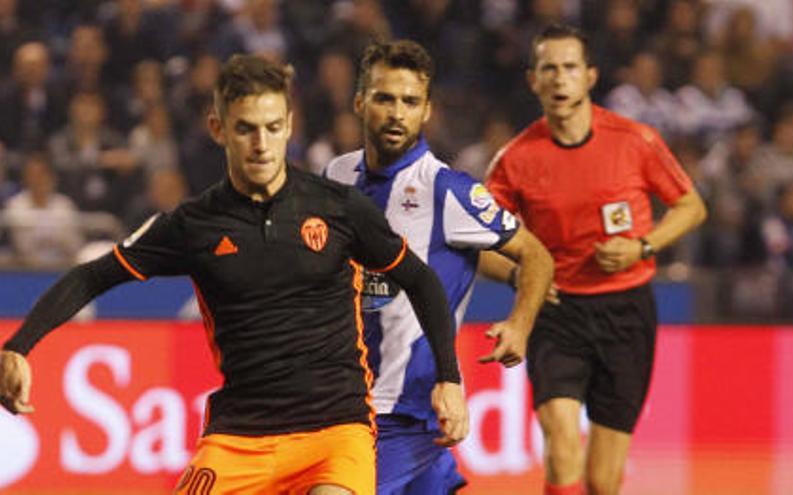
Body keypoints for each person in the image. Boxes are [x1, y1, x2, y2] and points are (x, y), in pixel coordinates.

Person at [0, 54, 468, 495]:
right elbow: (91, 277)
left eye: (272, 128)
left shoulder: (338, 207)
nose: (261, 145)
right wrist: (20, 346)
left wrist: (449, 377)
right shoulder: (192, 225)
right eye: (246, 129)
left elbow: (420, 279)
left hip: (335, 434)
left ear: (289, 127)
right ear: (218, 128)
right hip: (239, 438)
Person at [480, 24, 707, 495]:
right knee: (562, 449)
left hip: (627, 313)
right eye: (549, 69)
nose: (560, 79)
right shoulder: (514, 160)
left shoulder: (635, 140)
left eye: (569, 68)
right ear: (533, 81)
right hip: (556, 314)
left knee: (603, 480)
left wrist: (642, 247)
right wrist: (521, 274)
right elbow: (478, 243)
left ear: (590, 76)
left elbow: (692, 206)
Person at [324, 40, 554, 495]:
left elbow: (537, 255)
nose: (396, 113)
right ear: (359, 102)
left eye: (410, 102)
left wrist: (520, 324)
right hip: (344, 399)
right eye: (385, 98)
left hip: (405, 409)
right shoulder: (337, 175)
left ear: (426, 111)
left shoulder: (448, 191)